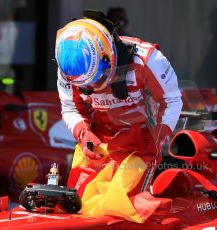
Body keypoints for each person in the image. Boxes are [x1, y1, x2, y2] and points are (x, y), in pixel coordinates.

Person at [55, 10, 182, 220]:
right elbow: (70, 107)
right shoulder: (69, 68)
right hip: (98, 145)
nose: (94, 87)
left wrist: (158, 138)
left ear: (109, 55)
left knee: (120, 209)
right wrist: (84, 135)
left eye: (96, 79)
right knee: (75, 207)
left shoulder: (148, 59)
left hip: (141, 144)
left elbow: (172, 100)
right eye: (86, 86)